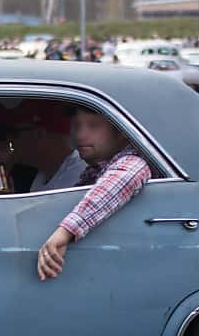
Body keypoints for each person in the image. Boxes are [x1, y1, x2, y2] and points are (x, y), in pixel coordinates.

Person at [37, 107, 151, 282]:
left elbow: (120, 180)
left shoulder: (132, 161)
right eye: (77, 125)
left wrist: (65, 232)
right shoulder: (94, 170)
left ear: (121, 131)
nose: (80, 135)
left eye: (93, 126)